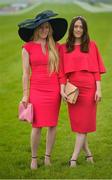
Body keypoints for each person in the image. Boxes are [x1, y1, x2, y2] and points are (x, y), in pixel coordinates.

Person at [18, 10, 67, 170]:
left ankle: (47, 157)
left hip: (53, 91)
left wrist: (62, 89)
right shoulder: (27, 48)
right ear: (36, 29)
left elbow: (61, 71)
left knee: (52, 125)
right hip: (36, 90)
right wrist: (25, 95)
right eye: (41, 27)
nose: (45, 30)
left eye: (47, 27)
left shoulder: (56, 47)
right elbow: (25, 74)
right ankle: (33, 158)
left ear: (50, 29)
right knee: (37, 126)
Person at [59, 16, 106, 167]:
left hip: (89, 88)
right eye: (76, 27)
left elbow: (96, 71)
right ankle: (89, 155)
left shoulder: (92, 46)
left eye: (81, 27)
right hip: (73, 90)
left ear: (84, 29)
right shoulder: (64, 47)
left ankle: (73, 158)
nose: (78, 29)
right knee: (80, 125)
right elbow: (61, 72)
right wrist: (62, 89)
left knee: (83, 126)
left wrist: (98, 89)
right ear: (72, 29)